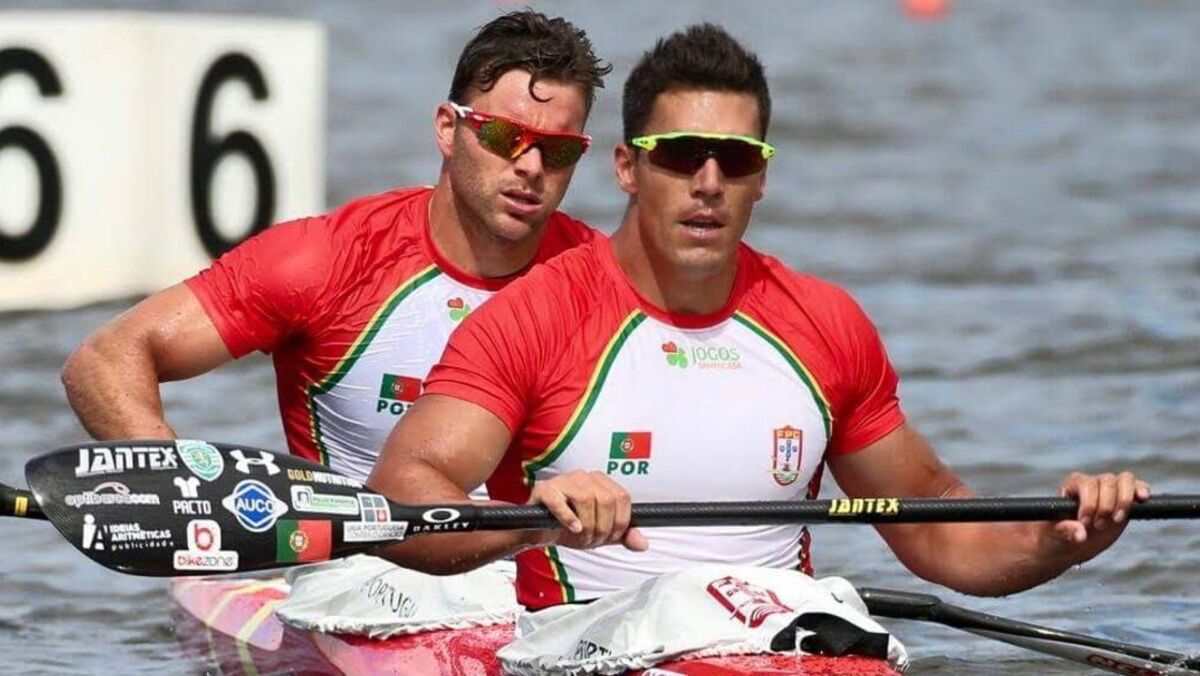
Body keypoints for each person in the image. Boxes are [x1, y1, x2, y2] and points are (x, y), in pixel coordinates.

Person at [368, 23, 1150, 611]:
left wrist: (1057, 539)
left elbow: (936, 524)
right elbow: (404, 492)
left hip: (779, 645)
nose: (709, 182)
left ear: (762, 179)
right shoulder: (534, 317)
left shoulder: (824, 322)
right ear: (628, 168)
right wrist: (529, 521)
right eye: (682, 154)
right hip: (587, 645)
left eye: (736, 159)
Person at [61, 10, 611, 484]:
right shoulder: (326, 261)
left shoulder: (604, 279)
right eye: (505, 136)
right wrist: (177, 486)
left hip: (538, 565)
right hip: (360, 565)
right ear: (448, 128)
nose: (530, 166)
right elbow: (105, 360)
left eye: (558, 150)